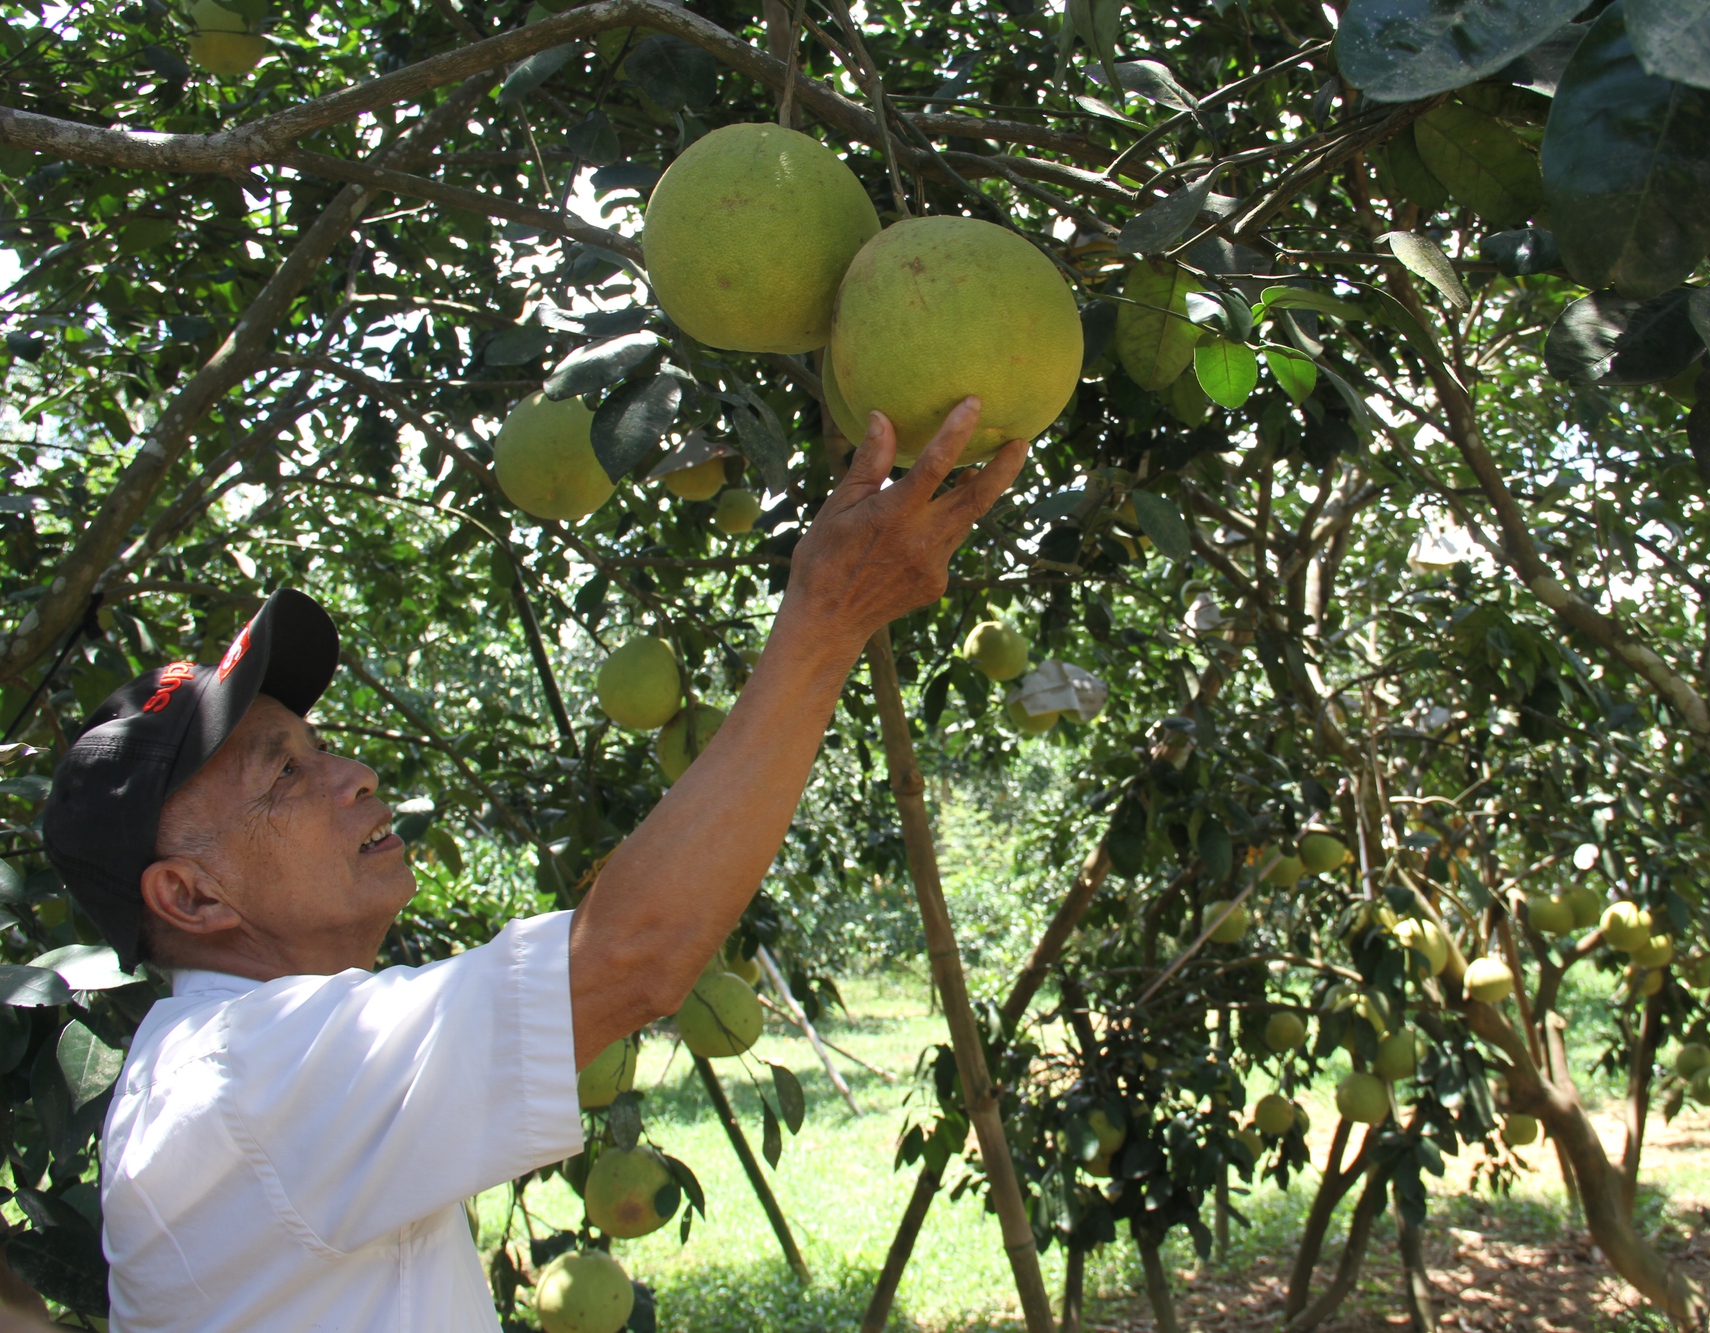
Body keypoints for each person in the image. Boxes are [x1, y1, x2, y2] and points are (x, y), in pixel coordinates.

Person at [40, 402, 1026, 1332]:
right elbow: (629, 956)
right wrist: (825, 620)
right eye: (283, 774)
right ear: (188, 892)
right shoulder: (243, 1076)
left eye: (320, 743)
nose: (352, 773)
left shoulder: (237, 1066)